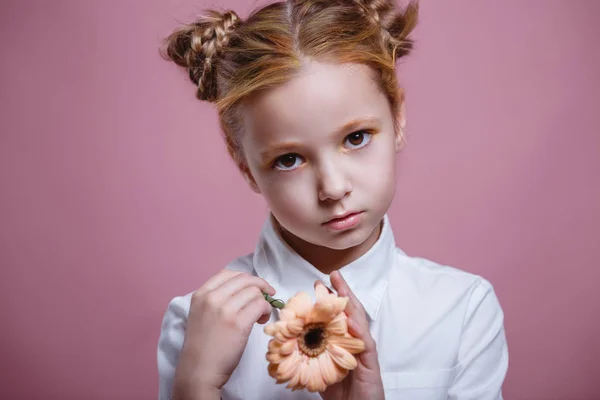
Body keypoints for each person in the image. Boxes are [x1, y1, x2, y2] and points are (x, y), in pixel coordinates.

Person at [156, 1, 508, 399]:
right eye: (289, 160)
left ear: (398, 118)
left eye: (355, 138)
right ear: (244, 166)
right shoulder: (196, 327)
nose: (333, 188)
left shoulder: (461, 311)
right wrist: (196, 386)